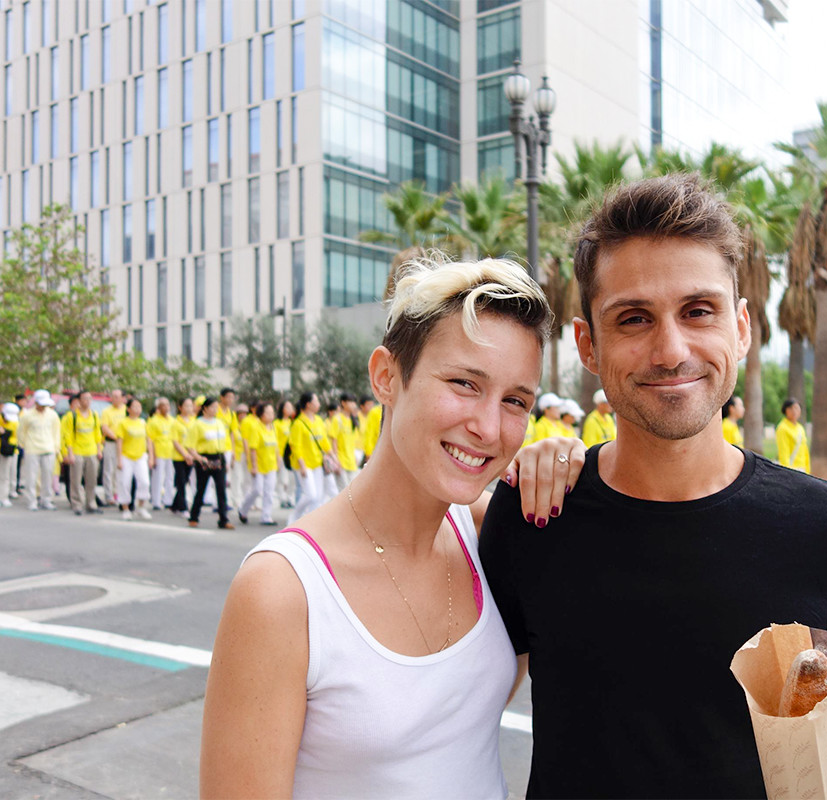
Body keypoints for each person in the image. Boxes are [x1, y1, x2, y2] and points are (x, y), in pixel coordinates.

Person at [479, 174, 827, 798]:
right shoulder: (535, 513)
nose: (670, 350)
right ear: (588, 344)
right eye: (633, 318)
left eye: (698, 311)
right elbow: (451, 709)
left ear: (741, 328)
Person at [201, 255, 574, 798]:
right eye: (464, 383)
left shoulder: (488, 533)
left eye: (515, 400)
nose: (489, 427)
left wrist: (571, 467)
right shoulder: (283, 590)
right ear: (386, 377)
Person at [187, 396, 234, 530]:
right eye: (212, 407)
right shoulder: (197, 424)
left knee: (221, 489)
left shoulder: (219, 423)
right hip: (204, 458)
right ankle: (194, 517)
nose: (215, 410)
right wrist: (198, 458)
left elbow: (224, 442)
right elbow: (190, 445)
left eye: (216, 407)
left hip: (219, 457)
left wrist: (225, 461)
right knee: (201, 489)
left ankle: (223, 519)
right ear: (205, 409)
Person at [288, 392, 335, 520]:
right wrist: (302, 466)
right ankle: (293, 518)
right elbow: (296, 447)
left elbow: (324, 441)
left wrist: (333, 457)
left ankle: (311, 522)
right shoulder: (298, 424)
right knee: (311, 495)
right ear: (308, 404)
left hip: (317, 463)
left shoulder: (318, 420)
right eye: (316, 401)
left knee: (318, 497)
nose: (319, 404)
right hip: (304, 465)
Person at [61, 390, 104, 516]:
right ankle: (77, 504)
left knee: (92, 480)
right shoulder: (72, 416)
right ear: (79, 401)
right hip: (77, 451)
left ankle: (91, 504)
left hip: (91, 451)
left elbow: (97, 434)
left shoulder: (94, 415)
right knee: (76, 480)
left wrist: (99, 450)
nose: (87, 401)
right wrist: (69, 453)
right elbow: (68, 436)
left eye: (89, 398)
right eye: (85, 398)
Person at [19, 390, 62, 511]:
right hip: (32, 449)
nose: (43, 407)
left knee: (47, 476)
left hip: (49, 449)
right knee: (31, 477)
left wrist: (56, 447)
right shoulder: (27, 415)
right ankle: (32, 501)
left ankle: (46, 500)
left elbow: (56, 432)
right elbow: (21, 432)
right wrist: (25, 445)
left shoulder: (52, 415)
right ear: (36, 402)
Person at [239, 401, 279, 526]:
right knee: (257, 490)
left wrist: (278, 460)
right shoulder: (256, 428)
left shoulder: (273, 427)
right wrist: (254, 466)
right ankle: (243, 509)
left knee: (269, 492)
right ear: (261, 414)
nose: (271, 415)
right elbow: (253, 449)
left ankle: (266, 516)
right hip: (258, 465)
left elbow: (275, 446)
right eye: (268, 413)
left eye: (272, 412)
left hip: (271, 465)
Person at [116, 397, 154, 520]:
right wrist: (119, 460)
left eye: (139, 407)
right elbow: (119, 442)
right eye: (135, 407)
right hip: (126, 456)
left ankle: (141, 507)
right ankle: (126, 508)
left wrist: (151, 457)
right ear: (128, 409)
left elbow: (149, 440)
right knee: (125, 483)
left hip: (140, 456)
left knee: (144, 482)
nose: (137, 409)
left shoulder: (143, 423)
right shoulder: (123, 423)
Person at [99, 389, 128, 505]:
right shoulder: (106, 411)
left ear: (122, 398)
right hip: (111, 443)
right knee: (108, 470)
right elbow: (104, 427)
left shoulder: (126, 410)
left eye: (117, 396)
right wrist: (117, 438)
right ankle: (109, 495)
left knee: (120, 469)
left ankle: (119, 493)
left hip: (125, 444)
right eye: (113, 396)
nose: (114, 398)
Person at [169, 397, 197, 516]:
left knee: (185, 481)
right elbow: (175, 442)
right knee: (181, 481)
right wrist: (185, 455)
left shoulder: (194, 421)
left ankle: (174, 505)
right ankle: (183, 507)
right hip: (179, 457)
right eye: (186, 405)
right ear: (180, 407)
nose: (189, 408)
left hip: (191, 455)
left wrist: (192, 455)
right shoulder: (176, 422)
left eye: (191, 405)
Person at [147, 398, 175, 510]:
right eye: (163, 405)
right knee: (158, 478)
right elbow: (150, 439)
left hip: (171, 452)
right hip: (159, 452)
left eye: (167, 405)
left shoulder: (172, 420)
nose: (166, 407)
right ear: (158, 407)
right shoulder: (153, 421)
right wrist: (152, 456)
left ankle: (168, 500)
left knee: (170, 477)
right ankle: (156, 501)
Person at [776, 397, 810, 472]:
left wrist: (808, 470)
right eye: (790, 408)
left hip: (802, 469)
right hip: (792, 469)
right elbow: (783, 453)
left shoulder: (800, 428)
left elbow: (805, 451)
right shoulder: (782, 428)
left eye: (796, 408)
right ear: (785, 410)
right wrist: (787, 472)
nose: (794, 411)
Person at [274, 399, 296, 508]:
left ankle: (289, 497)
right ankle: (282, 498)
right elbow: (275, 440)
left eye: (291, 407)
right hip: (281, 454)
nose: (290, 409)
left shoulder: (293, 423)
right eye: (288, 407)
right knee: (282, 479)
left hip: (292, 455)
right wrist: (277, 456)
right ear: (282, 409)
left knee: (293, 479)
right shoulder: (276, 423)